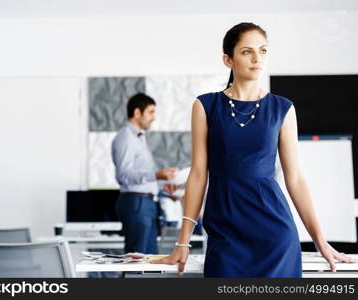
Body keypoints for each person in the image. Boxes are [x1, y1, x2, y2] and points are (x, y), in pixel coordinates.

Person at [150, 22, 358, 277]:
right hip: (225, 229)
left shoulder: (283, 108)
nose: (257, 58)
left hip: (275, 233)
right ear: (228, 59)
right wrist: (183, 241)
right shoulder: (205, 106)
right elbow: (198, 175)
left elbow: (295, 178)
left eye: (263, 50)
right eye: (247, 51)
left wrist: (320, 240)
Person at [111, 93, 178, 254]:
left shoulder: (139, 137)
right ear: (137, 113)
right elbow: (123, 175)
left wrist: (164, 188)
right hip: (136, 203)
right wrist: (156, 175)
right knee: (137, 261)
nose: (154, 117)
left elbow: (141, 175)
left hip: (145, 204)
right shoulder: (126, 138)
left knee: (149, 261)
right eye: (151, 112)